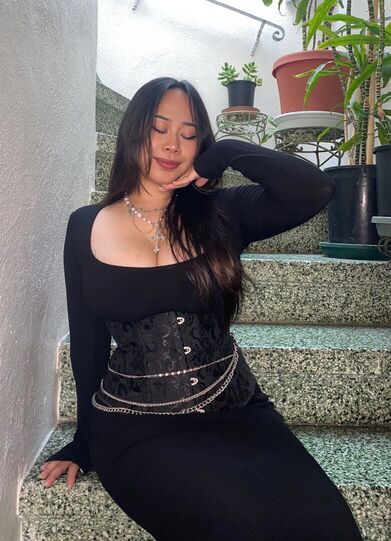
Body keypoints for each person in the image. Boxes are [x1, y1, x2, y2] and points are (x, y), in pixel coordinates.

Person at [38, 77, 363, 541]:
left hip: (236, 410)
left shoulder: (224, 213)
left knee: (329, 527)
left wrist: (228, 150)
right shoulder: (85, 225)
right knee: (236, 527)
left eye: (189, 134)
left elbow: (315, 188)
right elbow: (87, 342)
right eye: (159, 129)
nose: (173, 144)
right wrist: (83, 440)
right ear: (133, 133)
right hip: (134, 423)